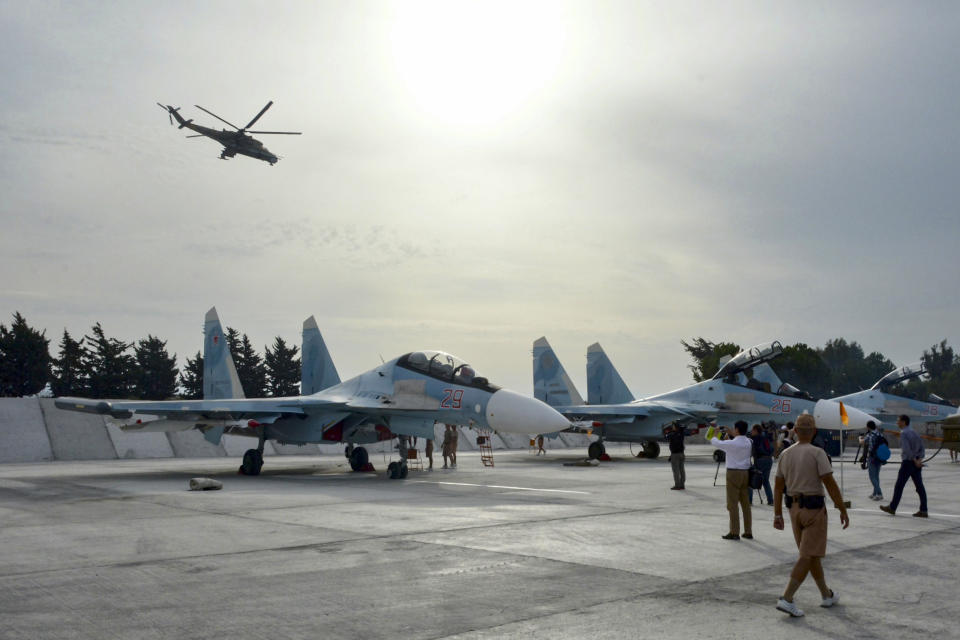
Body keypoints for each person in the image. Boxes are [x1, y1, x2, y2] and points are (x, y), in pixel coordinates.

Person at [773, 414, 849, 618]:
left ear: (795, 431)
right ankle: (786, 598)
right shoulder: (818, 453)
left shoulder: (785, 454)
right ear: (814, 431)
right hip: (814, 510)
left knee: (811, 554)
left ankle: (826, 594)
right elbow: (829, 483)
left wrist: (777, 514)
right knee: (807, 555)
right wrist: (842, 508)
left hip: (794, 510)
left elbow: (779, 486)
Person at [707, 421, 753, 540]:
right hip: (745, 473)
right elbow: (738, 438)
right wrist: (731, 432)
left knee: (732, 504)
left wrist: (715, 433)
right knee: (745, 504)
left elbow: (714, 442)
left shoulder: (731, 443)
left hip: (733, 473)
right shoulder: (748, 442)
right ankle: (748, 531)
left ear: (737, 430)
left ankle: (734, 531)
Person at [880, 415, 928, 517]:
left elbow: (907, 450)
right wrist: (919, 460)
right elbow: (922, 448)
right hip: (916, 464)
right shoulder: (914, 432)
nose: (897, 423)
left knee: (899, 486)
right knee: (920, 487)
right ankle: (924, 510)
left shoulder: (904, 433)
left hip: (908, 463)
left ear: (904, 422)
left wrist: (914, 460)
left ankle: (892, 507)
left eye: (898, 421)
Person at [751, 424, 774, 504]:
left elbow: (754, 452)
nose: (751, 432)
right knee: (766, 481)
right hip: (769, 460)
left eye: (752, 430)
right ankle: (770, 500)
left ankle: (749, 501)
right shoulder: (766, 437)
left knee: (751, 479)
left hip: (760, 460)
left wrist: (755, 464)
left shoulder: (755, 438)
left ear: (755, 430)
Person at [860, 421, 883, 500]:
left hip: (872, 457)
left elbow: (862, 442)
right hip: (879, 457)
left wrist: (860, 438)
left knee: (872, 477)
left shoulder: (869, 435)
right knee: (876, 476)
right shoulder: (880, 434)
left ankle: (879, 493)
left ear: (868, 427)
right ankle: (874, 493)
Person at [666, 423, 686, 490]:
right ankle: (682, 485)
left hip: (675, 455)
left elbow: (667, 437)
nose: (672, 427)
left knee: (676, 471)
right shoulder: (681, 433)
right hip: (681, 454)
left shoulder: (672, 434)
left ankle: (677, 485)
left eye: (673, 426)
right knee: (682, 470)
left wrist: (668, 431)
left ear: (675, 427)